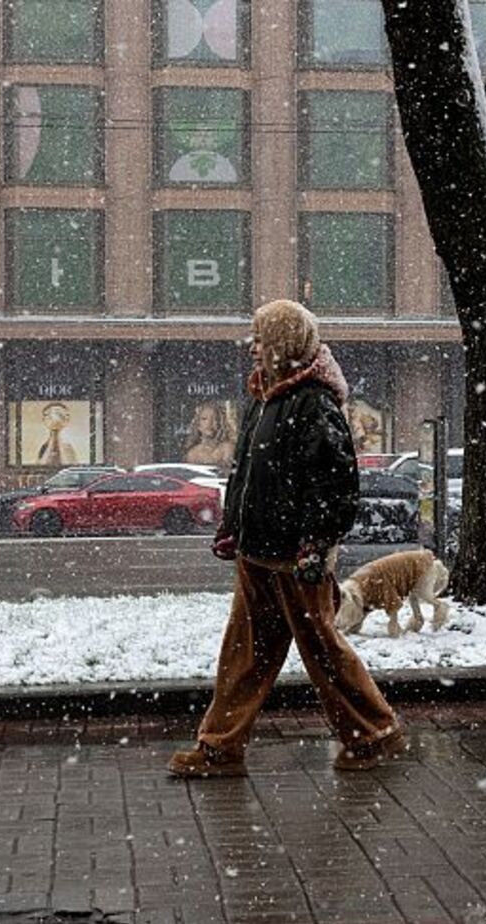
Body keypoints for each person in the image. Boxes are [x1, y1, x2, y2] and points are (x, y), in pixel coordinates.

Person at [169, 300, 404, 778]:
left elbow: (335, 485)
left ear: (285, 345)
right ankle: (220, 747)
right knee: (244, 654)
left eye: (262, 338)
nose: (253, 347)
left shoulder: (314, 401)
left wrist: (315, 545)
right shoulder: (264, 395)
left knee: (321, 648)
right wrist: (233, 524)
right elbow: (246, 473)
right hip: (258, 551)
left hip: (295, 557)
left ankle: (374, 733)